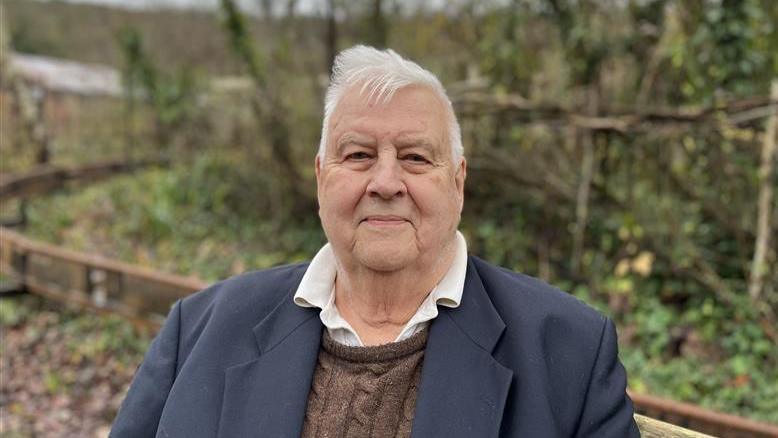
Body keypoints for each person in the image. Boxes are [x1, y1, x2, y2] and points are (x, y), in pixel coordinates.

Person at [111, 45, 639, 437]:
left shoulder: (568, 350)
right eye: (359, 155)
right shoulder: (198, 330)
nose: (385, 183)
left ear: (457, 181)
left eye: (414, 157)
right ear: (321, 177)